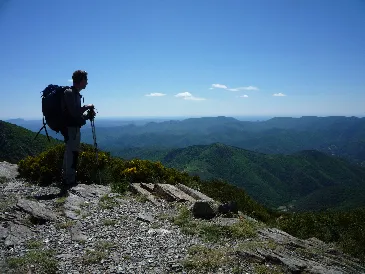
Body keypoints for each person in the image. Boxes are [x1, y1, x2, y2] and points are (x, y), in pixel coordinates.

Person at [60, 70, 95, 192]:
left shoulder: (74, 93)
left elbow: (75, 115)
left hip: (73, 128)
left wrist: (86, 116)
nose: (87, 83)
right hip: (70, 129)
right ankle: (69, 180)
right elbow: (74, 113)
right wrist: (86, 107)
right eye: (86, 80)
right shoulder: (69, 93)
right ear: (81, 80)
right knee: (72, 152)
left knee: (71, 151)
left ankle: (67, 178)